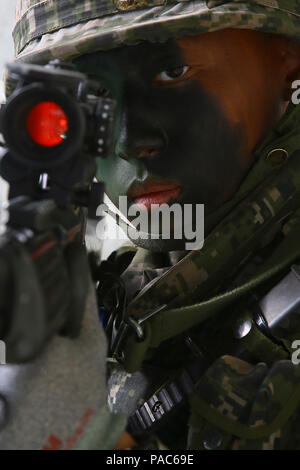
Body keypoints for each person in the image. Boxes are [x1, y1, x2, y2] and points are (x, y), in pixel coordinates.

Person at [10, 0, 300, 450]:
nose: (130, 142)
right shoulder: (114, 286)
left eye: (173, 73)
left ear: (286, 60)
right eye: (96, 96)